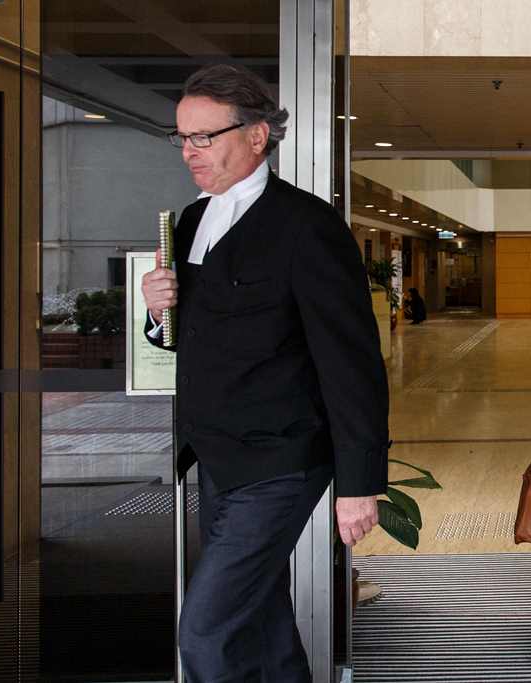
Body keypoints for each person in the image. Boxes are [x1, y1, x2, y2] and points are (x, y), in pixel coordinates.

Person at [140, 64, 389, 682]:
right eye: (182, 138)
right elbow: (195, 340)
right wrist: (156, 313)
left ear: (257, 135)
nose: (189, 152)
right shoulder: (191, 222)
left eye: (204, 137)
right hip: (218, 459)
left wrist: (360, 483)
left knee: (206, 632)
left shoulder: (308, 227)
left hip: (280, 461)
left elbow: (351, 362)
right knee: (261, 619)